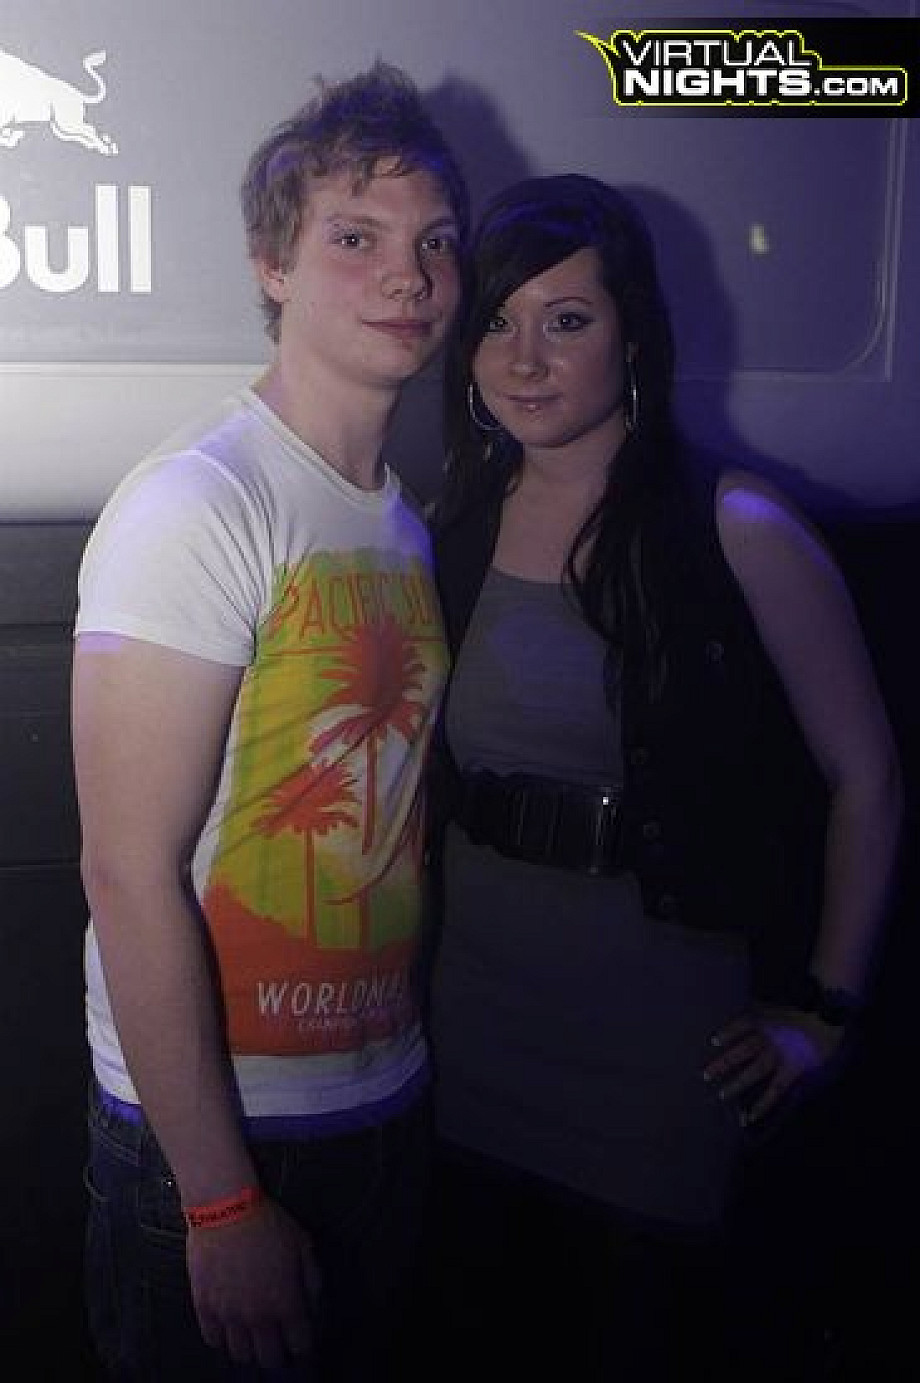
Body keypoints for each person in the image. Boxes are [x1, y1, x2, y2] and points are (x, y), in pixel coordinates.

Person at [423, 174, 903, 1380]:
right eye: (497, 321)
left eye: (566, 320)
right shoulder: (449, 524)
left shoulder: (734, 524)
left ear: (632, 335)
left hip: (657, 1072)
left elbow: (866, 777)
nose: (524, 359)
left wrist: (823, 1014)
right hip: (470, 1046)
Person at [71, 61, 467, 1381]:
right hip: (223, 1137)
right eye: (356, 237)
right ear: (272, 267)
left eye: (434, 242)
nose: (407, 275)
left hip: (383, 1096)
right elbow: (126, 873)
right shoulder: (198, 501)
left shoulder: (400, 519)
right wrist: (222, 1197)